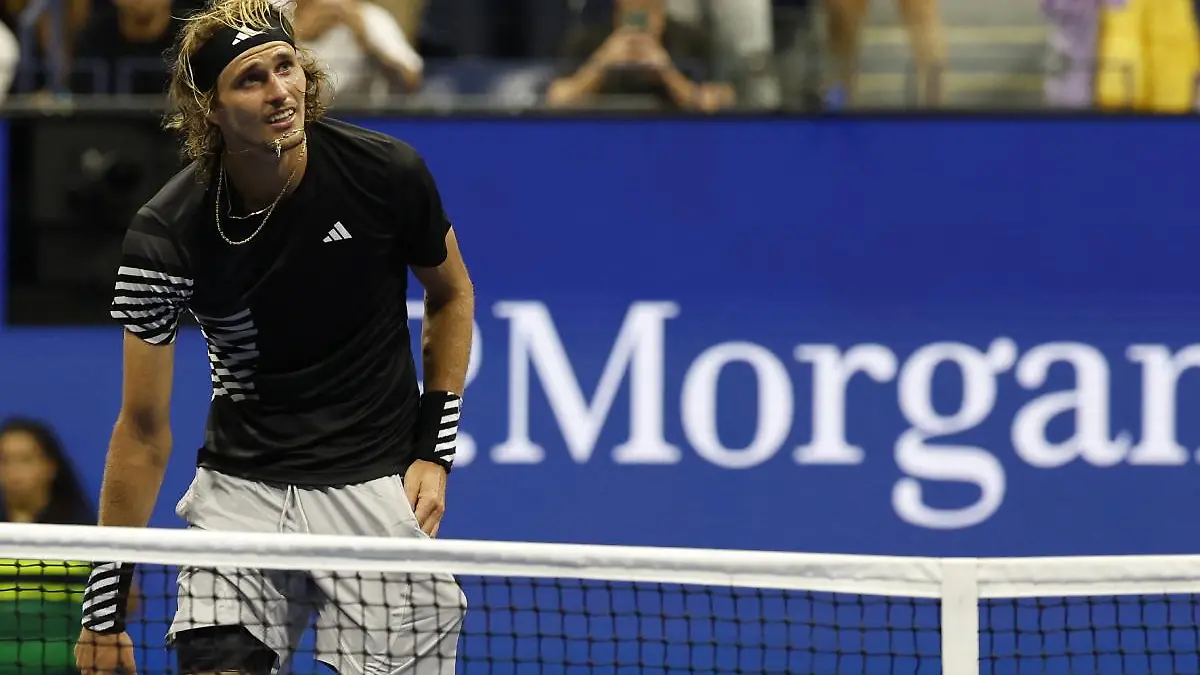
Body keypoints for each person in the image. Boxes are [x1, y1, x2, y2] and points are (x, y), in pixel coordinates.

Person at [71, 0, 476, 671]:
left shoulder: (386, 174)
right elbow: (141, 431)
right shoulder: (166, 232)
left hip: (373, 483)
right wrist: (104, 608)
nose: (280, 90)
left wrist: (434, 451)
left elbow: (452, 293)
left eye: (285, 66)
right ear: (210, 108)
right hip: (242, 491)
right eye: (250, 79)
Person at [0, 418, 100, 675]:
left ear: (49, 466)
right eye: (5, 460)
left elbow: (125, 602)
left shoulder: (85, 535)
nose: (13, 471)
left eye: (25, 460)